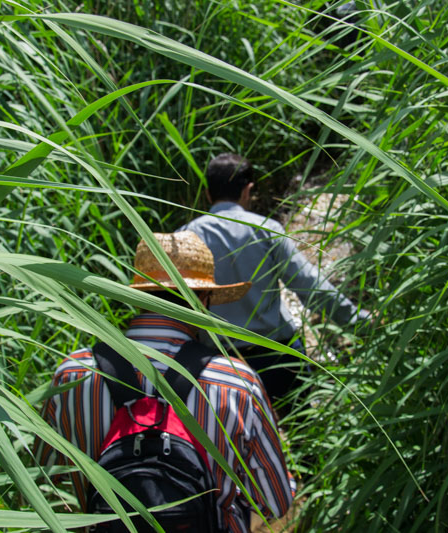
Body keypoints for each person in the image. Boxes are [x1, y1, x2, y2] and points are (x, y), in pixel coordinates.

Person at [36, 231, 294, 533]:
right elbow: (276, 503)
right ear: (203, 299)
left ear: (136, 295)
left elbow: (40, 482)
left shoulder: (73, 373)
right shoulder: (236, 383)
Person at [180, 153, 369, 402]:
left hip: (219, 365)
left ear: (207, 193)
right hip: (278, 357)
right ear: (248, 190)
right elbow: (309, 285)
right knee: (301, 432)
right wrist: (358, 320)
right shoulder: (266, 230)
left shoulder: (186, 237)